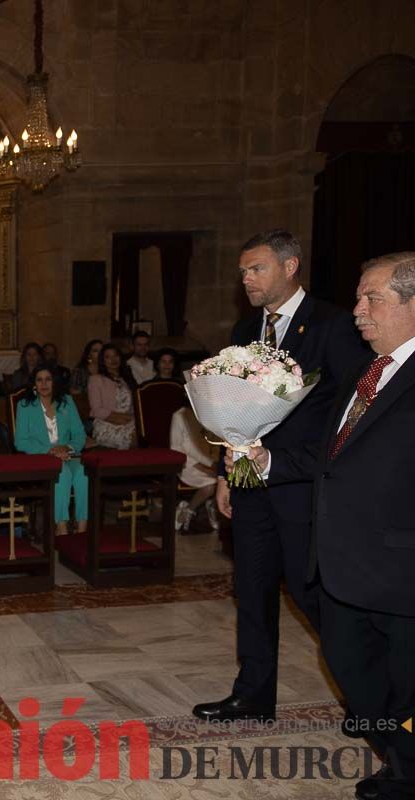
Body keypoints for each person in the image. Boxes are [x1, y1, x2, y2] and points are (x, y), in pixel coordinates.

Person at [241, 253, 415, 800]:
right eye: (359, 297)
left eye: (373, 300)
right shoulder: (367, 369)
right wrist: (266, 462)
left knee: (408, 686)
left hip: (402, 567)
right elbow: (331, 454)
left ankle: (407, 771)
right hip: (341, 563)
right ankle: (398, 748)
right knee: (351, 669)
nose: (358, 311)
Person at [192, 229, 367, 724]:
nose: (246, 279)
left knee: (314, 597)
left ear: (290, 267)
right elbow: (233, 413)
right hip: (250, 485)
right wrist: (229, 472)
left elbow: (347, 415)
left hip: (304, 487)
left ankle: (365, 696)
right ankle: (252, 695)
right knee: (251, 590)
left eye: (256, 269)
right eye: (243, 271)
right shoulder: (244, 331)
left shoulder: (333, 326)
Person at [15, 367, 88, 535]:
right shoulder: (25, 406)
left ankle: (82, 527)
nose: (44, 384)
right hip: (42, 457)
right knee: (62, 474)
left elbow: (79, 435)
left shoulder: (67, 401)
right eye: (39, 380)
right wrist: (51, 450)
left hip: (69, 454)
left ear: (54, 382)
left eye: (48, 379)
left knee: (84, 472)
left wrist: (68, 448)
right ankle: (61, 526)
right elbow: (20, 442)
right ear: (34, 384)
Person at [170, 406, 219, 531]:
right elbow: (176, 449)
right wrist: (203, 468)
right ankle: (188, 510)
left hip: (204, 461)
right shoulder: (179, 416)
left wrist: (212, 464)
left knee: (226, 478)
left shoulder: (205, 413)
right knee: (210, 485)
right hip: (185, 464)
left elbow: (203, 445)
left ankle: (212, 505)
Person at [87, 344, 137, 449]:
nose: (113, 359)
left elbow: (134, 406)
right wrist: (123, 419)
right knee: (135, 437)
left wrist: (131, 419)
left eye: (115, 356)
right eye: (108, 357)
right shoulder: (96, 379)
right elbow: (97, 410)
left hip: (129, 422)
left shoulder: (127, 379)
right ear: (102, 361)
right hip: (106, 424)